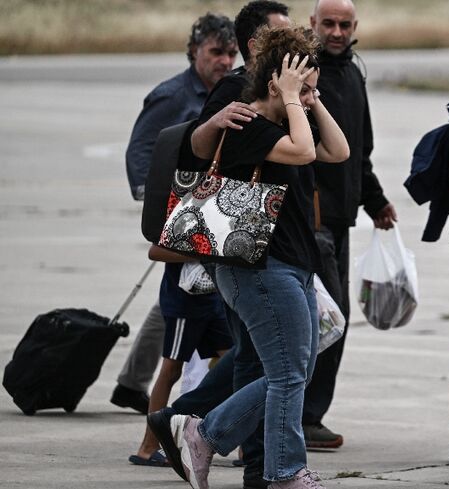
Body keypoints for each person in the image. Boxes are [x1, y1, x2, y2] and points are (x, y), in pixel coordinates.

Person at [161, 25, 349, 489]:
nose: (306, 97)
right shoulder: (249, 126)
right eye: (301, 88)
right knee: (287, 375)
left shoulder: (292, 119)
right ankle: (284, 471)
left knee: (296, 372)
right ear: (274, 85)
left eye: (311, 88)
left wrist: (311, 97)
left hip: (293, 267)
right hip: (258, 270)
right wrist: (290, 96)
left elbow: (336, 150)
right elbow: (306, 152)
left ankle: (204, 431)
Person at [112, 12, 237, 414]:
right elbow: (142, 149)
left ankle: (133, 383)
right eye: (216, 51)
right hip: (177, 215)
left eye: (231, 52)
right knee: (178, 302)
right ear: (195, 51)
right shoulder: (172, 96)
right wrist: (159, 206)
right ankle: (151, 404)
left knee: (175, 302)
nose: (225, 60)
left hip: (204, 214)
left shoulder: (225, 93)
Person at [303, 0, 397, 449]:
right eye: (328, 24)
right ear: (312, 25)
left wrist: (375, 199)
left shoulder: (353, 74)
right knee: (326, 320)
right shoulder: (301, 74)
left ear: (355, 26)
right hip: (309, 220)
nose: (337, 32)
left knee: (331, 322)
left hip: (341, 221)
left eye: (344, 25)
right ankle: (299, 416)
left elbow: (360, 152)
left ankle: (307, 415)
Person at [129, 251, 233, 467]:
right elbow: (156, 251)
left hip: (214, 295)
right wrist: (206, 252)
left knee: (236, 364)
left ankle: (249, 451)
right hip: (185, 301)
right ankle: (148, 447)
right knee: (171, 369)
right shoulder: (174, 216)